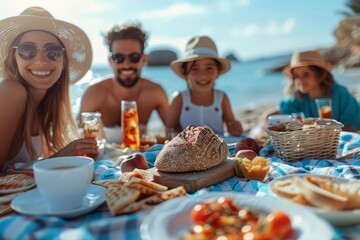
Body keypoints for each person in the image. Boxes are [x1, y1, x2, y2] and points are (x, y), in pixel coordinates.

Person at [0, 6, 97, 172]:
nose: (40, 60)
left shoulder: (44, 105)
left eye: (53, 51)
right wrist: (60, 157)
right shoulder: (12, 91)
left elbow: (33, 166)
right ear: (14, 59)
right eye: (27, 50)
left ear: (63, 61)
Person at [79, 23, 168, 143]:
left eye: (134, 57)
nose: (126, 64)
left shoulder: (155, 92)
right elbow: (79, 137)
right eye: (118, 58)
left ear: (144, 59)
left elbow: (173, 132)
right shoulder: (94, 93)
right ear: (110, 61)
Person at [166, 35, 243, 136]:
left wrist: (236, 128)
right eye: (195, 69)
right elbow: (169, 131)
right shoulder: (179, 99)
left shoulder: (221, 98)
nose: (202, 75)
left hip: (217, 149)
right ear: (185, 74)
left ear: (218, 72)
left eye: (209, 68)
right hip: (188, 149)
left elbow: (231, 129)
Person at [278, 50, 360, 131]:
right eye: (296, 76)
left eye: (306, 74)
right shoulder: (300, 97)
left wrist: (327, 133)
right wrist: (265, 117)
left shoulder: (339, 93)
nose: (300, 80)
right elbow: (283, 108)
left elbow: (352, 125)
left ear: (321, 75)